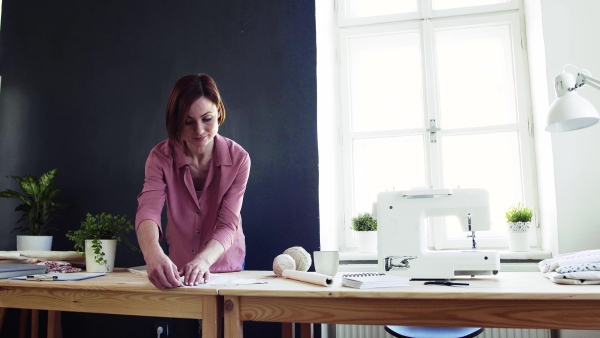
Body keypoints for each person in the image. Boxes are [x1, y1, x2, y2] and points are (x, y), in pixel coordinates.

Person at [135, 73, 250, 290]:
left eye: (206, 119)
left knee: (226, 322)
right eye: (188, 122)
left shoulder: (239, 159)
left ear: (218, 111)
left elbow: (227, 224)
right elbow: (148, 210)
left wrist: (204, 260)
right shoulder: (160, 157)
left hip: (224, 263)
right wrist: (152, 255)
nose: (199, 131)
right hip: (178, 267)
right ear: (176, 121)